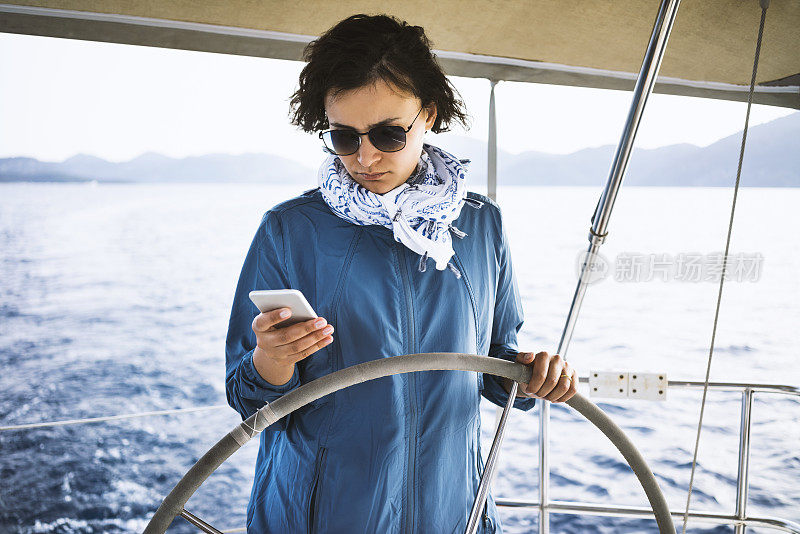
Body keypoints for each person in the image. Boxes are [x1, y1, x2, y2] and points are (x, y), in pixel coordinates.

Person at [225, 13, 578, 533]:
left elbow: (498, 365)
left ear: (428, 115)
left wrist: (534, 376)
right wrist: (270, 360)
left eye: (389, 134)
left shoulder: (482, 225)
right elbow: (246, 394)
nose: (364, 157)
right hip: (321, 520)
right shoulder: (288, 230)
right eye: (344, 137)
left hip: (453, 514)